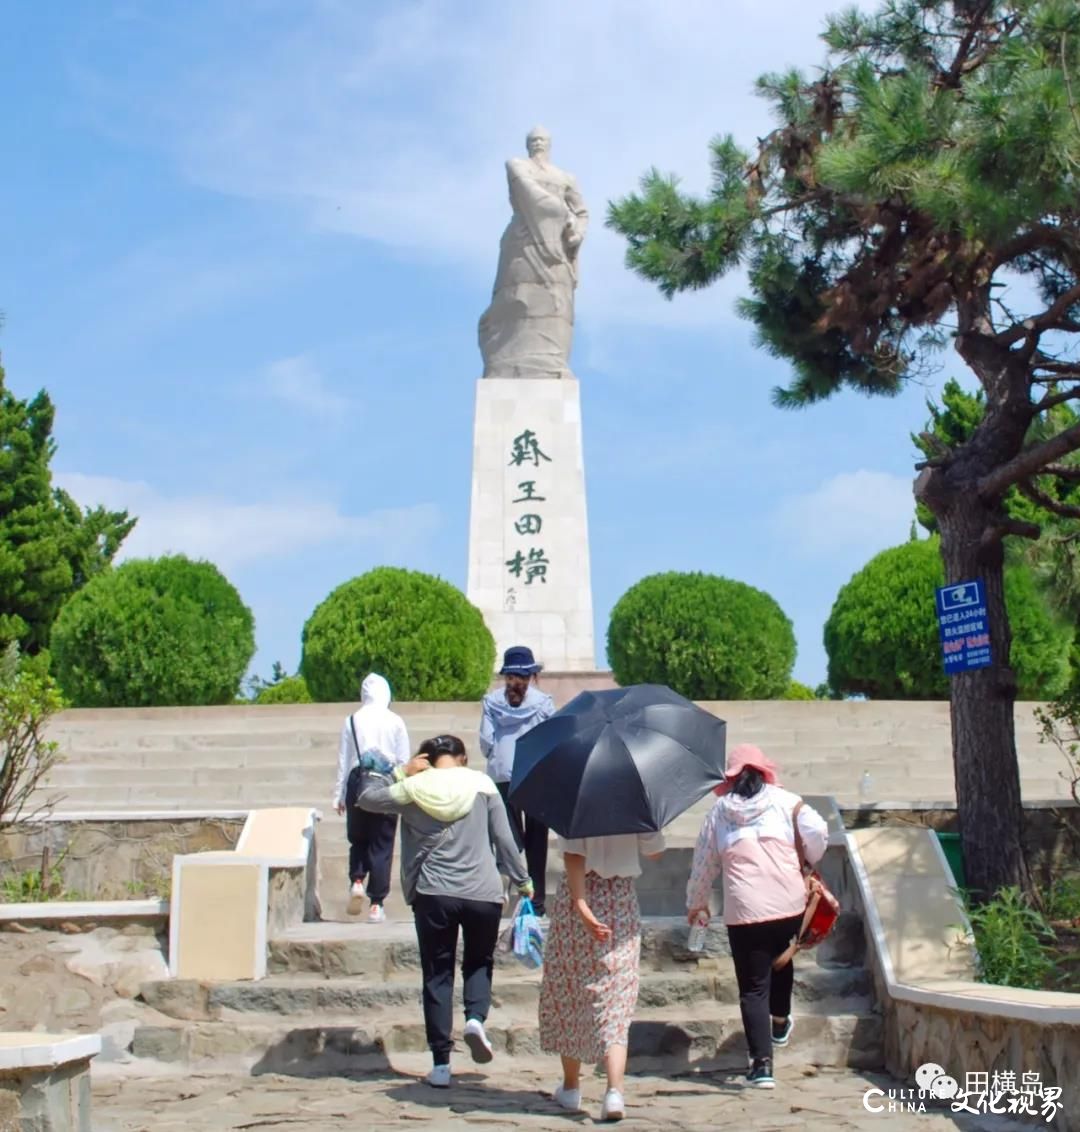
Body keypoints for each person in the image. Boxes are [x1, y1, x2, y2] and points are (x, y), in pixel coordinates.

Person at [357, 734, 533, 1088]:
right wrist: (523, 881)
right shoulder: (483, 785)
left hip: (433, 893)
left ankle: (440, 1064)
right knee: (479, 962)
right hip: (483, 892)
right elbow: (504, 838)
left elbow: (365, 799)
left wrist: (400, 771)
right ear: (463, 757)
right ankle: (475, 1019)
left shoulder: (414, 787)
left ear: (427, 758)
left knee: (437, 973)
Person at [686, 744, 829, 1089]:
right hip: (788, 902)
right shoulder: (787, 802)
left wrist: (697, 901)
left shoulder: (719, 812)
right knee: (782, 959)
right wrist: (806, 859)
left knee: (752, 988)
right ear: (765, 772)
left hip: (744, 908)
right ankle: (780, 1020)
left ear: (731, 778)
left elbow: (705, 861)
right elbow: (819, 832)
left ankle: (762, 1066)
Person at [539, 830, 665, 1122]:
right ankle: (614, 1092)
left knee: (571, 990)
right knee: (616, 995)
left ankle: (571, 1087)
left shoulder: (576, 805)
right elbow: (656, 852)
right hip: (620, 898)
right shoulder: (635, 805)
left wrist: (582, 905)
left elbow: (574, 855)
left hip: (578, 897)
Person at [478, 126, 589, 380]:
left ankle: (552, 361)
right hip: (522, 243)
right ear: (527, 145)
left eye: (542, 139)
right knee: (516, 297)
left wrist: (577, 233)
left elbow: (582, 212)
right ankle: (506, 360)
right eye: (533, 140)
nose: (538, 143)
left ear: (549, 144)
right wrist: (561, 212)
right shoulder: (517, 165)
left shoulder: (565, 177)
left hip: (556, 248)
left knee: (557, 301)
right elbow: (530, 194)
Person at [479, 645, 555, 915]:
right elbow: (551, 738)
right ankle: (536, 901)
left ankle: (513, 884)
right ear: (532, 676)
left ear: (506, 677)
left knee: (508, 836)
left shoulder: (491, 702)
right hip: (536, 775)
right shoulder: (544, 702)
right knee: (538, 841)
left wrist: (498, 754)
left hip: (502, 775)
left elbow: (486, 742)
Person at [333, 673, 411, 923]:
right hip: (386, 782)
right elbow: (404, 761)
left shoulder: (352, 720)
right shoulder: (396, 720)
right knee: (382, 843)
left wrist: (339, 795)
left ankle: (357, 880)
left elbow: (343, 761)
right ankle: (376, 904)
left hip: (358, 781)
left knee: (358, 838)